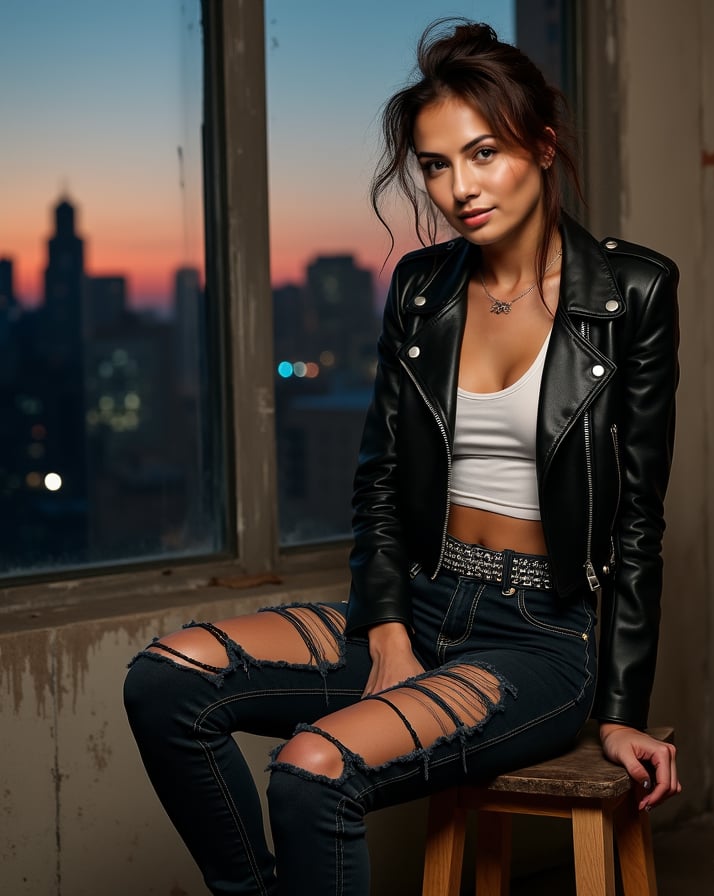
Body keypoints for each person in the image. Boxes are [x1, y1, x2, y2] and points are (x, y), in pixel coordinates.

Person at [124, 19, 681, 896]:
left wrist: (621, 714)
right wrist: (386, 632)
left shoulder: (633, 292)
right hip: (419, 602)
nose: (460, 187)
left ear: (541, 145)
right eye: (435, 164)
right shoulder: (423, 289)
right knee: (164, 683)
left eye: (484, 152)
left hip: (537, 639)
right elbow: (381, 477)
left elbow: (639, 518)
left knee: (312, 774)